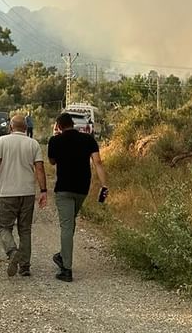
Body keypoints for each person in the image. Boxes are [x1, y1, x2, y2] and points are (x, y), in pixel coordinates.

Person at [48, 112, 108, 282]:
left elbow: (52, 161)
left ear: (59, 126)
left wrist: (55, 135)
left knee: (67, 226)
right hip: (82, 188)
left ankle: (66, 269)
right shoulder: (88, 139)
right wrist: (104, 185)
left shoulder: (55, 141)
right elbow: (98, 162)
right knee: (70, 222)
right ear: (72, 124)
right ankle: (62, 255)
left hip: (64, 189)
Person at [0, 114, 47, 277]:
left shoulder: (2, 141)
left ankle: (12, 252)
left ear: (10, 127)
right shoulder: (33, 143)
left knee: (4, 227)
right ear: (26, 128)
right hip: (27, 192)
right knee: (25, 229)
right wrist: (43, 191)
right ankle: (25, 266)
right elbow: (40, 168)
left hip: (8, 192)